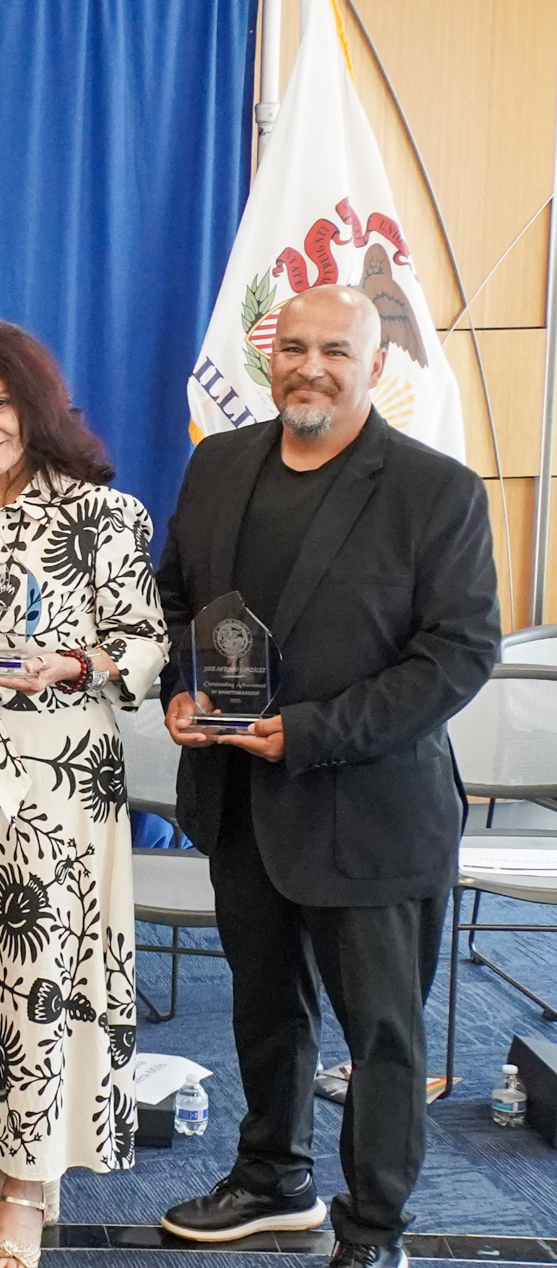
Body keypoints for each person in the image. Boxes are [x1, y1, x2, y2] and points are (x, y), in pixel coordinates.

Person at [154, 285, 499, 1268]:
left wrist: (306, 733)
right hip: (239, 803)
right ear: (271, 358)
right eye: (292, 347)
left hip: (371, 815)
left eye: (334, 351)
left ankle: (374, 1228)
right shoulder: (218, 463)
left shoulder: (436, 489)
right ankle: (272, 1178)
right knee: (264, 1009)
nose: (309, 367)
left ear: (374, 362)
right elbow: (173, 598)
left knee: (380, 1036)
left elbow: (457, 653)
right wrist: (182, 687)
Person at [0, 320, 169, 1268]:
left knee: (40, 976)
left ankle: (28, 1190)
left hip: (57, 781)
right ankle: (1, 1158)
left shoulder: (104, 514)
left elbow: (145, 645)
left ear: (38, 402)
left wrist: (69, 662)